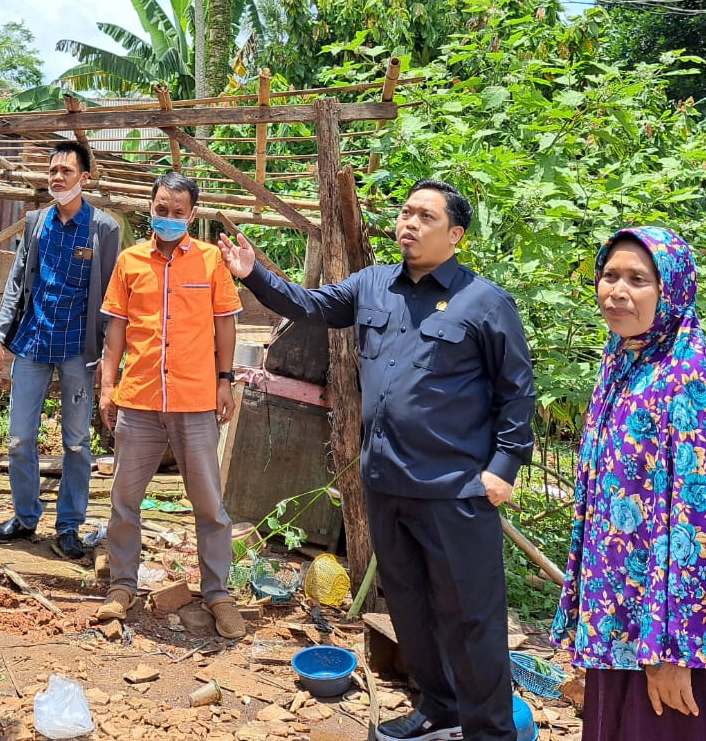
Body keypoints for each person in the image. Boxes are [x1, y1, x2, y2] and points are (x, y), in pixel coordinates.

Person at [219, 179, 534, 741]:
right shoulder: (372, 286)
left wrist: (503, 467)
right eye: (405, 212)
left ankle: (490, 731)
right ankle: (439, 709)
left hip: (457, 489)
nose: (408, 223)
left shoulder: (483, 301)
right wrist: (255, 275)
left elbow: (516, 391)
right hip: (387, 481)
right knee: (411, 609)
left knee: (472, 618)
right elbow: (311, 306)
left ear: (455, 235)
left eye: (425, 217)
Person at [552, 227, 706, 739]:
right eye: (609, 275)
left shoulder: (685, 379)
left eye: (637, 279)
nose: (616, 290)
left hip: (675, 645)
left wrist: (673, 652)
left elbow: (702, 525)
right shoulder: (624, 362)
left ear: (672, 293)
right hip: (627, 623)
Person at [94, 171, 249, 640]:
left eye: (178, 212)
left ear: (192, 215)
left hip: (196, 399)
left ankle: (218, 593)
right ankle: (122, 587)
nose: (168, 218)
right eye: (161, 209)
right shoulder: (129, 261)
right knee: (124, 500)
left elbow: (225, 326)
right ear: (150, 207)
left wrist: (225, 382)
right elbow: (116, 332)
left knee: (210, 504)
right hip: (139, 398)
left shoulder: (209, 262)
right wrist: (107, 387)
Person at [0, 140, 123, 561]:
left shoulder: (104, 228)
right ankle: (25, 519)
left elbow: (114, 298)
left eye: (66, 171)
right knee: (20, 439)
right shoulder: (36, 222)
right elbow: (15, 283)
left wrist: (106, 362)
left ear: (85, 177)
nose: (57, 178)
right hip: (32, 342)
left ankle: (69, 526)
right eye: (52, 172)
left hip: (78, 351)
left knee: (78, 442)